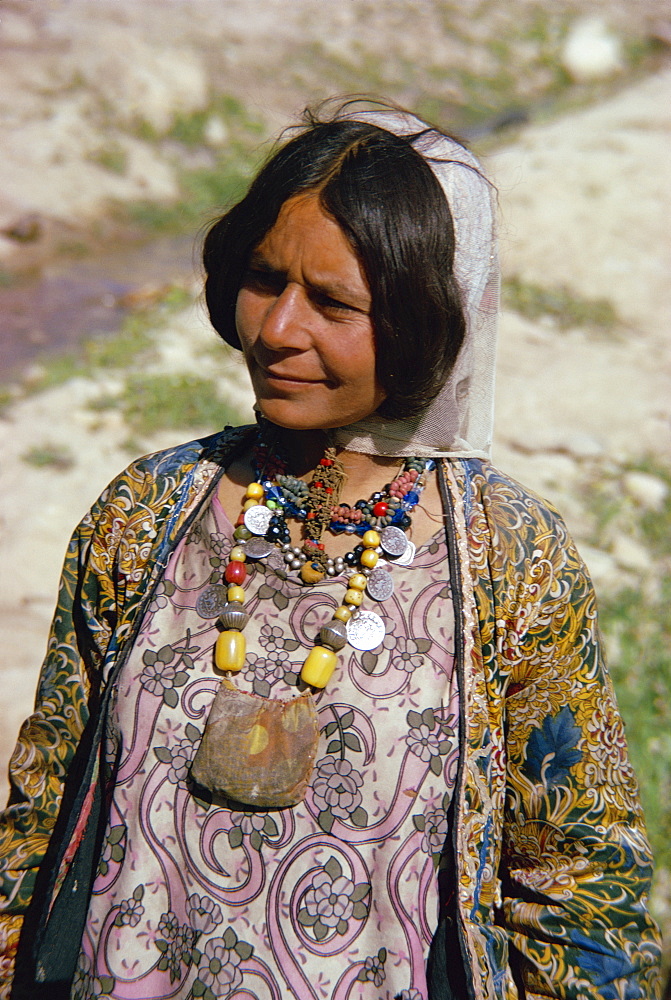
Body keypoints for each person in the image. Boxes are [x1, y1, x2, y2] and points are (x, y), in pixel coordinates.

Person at [0, 99, 662, 1000]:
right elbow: (39, 820)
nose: (277, 331)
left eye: (334, 304)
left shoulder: (510, 558)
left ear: (429, 319)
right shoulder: (147, 512)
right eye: (265, 279)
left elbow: (582, 888)